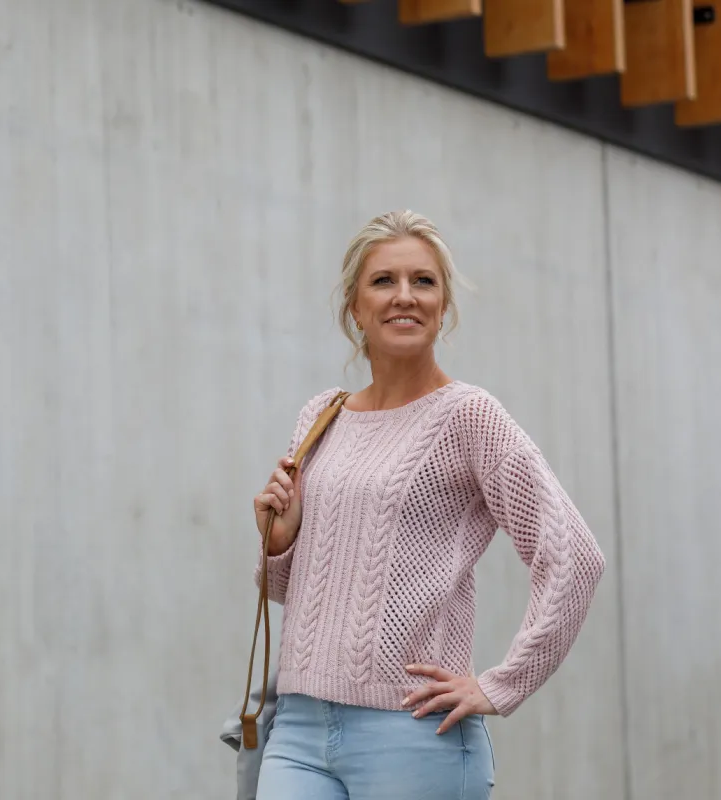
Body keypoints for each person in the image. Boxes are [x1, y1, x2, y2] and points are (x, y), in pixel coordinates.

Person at [251, 210, 605, 799]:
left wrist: (500, 685)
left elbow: (575, 557)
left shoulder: (468, 416)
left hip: (412, 735)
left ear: (444, 306)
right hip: (297, 728)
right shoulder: (321, 417)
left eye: (424, 281)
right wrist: (281, 542)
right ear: (354, 308)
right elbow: (290, 589)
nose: (404, 297)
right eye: (384, 281)